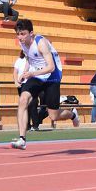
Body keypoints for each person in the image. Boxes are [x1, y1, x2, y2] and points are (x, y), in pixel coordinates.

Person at [10, 19, 80, 149]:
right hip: (37, 75)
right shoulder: (23, 43)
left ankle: (72, 113)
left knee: (53, 115)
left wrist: (31, 74)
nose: (20, 37)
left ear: (31, 33)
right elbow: (29, 59)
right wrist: (24, 72)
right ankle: (22, 139)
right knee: (23, 100)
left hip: (52, 76)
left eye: (23, 34)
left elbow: (51, 67)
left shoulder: (40, 43)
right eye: (18, 34)